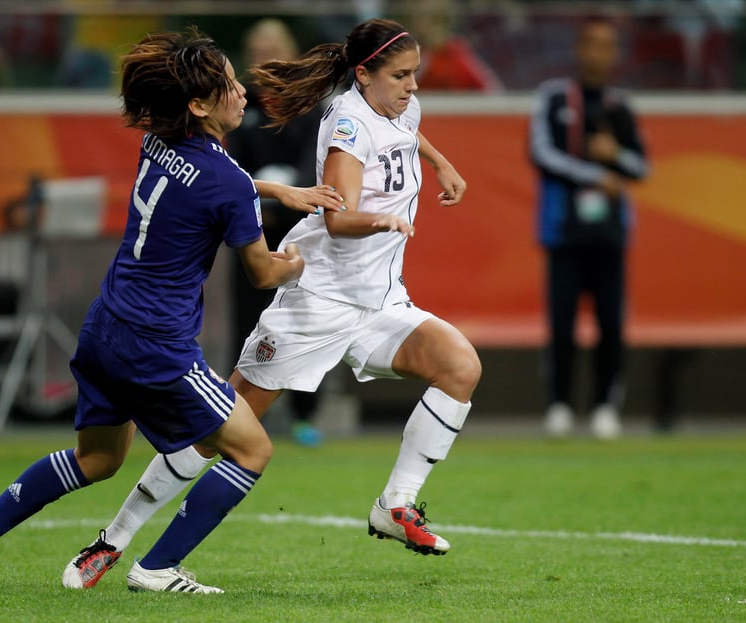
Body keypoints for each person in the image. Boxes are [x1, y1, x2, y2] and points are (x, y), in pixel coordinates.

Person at [61, 17, 480, 590]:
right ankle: (115, 539)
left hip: (379, 300)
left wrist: (441, 162)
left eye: (415, 75)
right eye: (401, 76)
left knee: (459, 366)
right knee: (216, 435)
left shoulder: (399, 104)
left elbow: (409, 129)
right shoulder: (349, 126)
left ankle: (396, 504)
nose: (412, 87)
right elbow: (337, 217)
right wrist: (380, 219)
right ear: (365, 75)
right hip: (318, 301)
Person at [0, 27, 343, 594]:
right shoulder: (227, 180)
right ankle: (156, 569)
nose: (242, 92)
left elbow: (208, 182)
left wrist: (271, 193)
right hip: (157, 345)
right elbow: (262, 272)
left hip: (105, 328)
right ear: (198, 105)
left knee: (97, 459)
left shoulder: (157, 140)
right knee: (252, 449)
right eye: (229, 86)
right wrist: (297, 262)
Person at [529, 18, 650, 440]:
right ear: (579, 49)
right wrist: (592, 174)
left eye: (606, 46)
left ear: (614, 53)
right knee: (561, 325)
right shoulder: (554, 97)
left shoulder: (620, 105)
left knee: (611, 326)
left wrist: (614, 154)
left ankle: (605, 407)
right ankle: (559, 405)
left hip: (610, 234)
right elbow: (540, 152)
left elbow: (641, 165)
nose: (598, 54)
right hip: (564, 229)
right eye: (591, 45)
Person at [226, 18, 325, 447]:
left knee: (304, 320)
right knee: (249, 320)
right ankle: (243, 415)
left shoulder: (310, 104)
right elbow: (230, 168)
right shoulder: (240, 106)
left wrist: (294, 201)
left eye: (273, 48)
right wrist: (253, 210)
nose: (265, 57)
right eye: (258, 49)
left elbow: (316, 161)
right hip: (253, 229)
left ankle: (305, 415)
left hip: (300, 228)